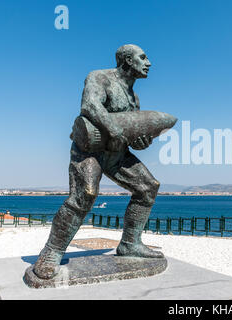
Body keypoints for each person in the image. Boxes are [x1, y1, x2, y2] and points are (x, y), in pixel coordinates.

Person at [33, 44, 163, 280]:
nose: (149, 63)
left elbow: (130, 137)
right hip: (88, 152)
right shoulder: (99, 77)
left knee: (148, 187)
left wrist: (141, 142)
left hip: (116, 155)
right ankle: (52, 250)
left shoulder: (135, 98)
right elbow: (90, 105)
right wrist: (113, 129)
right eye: (142, 58)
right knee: (85, 194)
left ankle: (130, 243)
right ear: (126, 60)